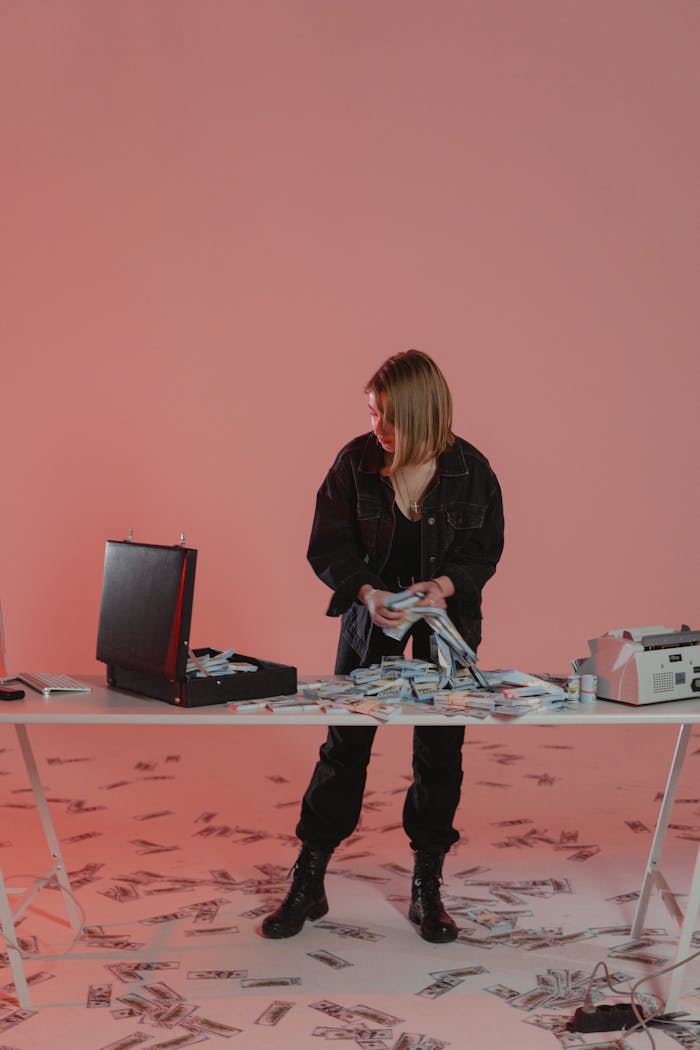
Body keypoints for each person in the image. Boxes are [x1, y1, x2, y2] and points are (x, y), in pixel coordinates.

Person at [262, 349, 504, 943]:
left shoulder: (473, 471)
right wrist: (367, 593)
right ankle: (309, 877)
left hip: (444, 627)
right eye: (372, 413)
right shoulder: (355, 462)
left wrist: (444, 588)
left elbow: (484, 552)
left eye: (389, 419)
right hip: (371, 620)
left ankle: (428, 886)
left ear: (424, 417)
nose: (378, 430)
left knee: (440, 754)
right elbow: (328, 544)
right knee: (345, 748)